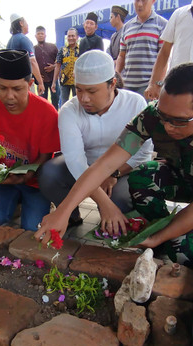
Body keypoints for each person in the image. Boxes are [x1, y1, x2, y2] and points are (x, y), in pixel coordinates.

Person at [36, 63, 193, 268]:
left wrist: (158, 238)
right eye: (163, 116)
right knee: (142, 178)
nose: (167, 126)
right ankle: (162, 226)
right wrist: (63, 211)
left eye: (179, 121)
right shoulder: (152, 116)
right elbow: (104, 165)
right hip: (183, 174)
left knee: (184, 252)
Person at [39, 50, 153, 229]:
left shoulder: (135, 104)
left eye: (92, 91)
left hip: (123, 169)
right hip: (84, 167)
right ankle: (70, 216)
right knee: (49, 174)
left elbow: (143, 153)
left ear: (112, 84)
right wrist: (106, 204)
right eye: (78, 90)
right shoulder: (69, 110)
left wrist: (112, 173)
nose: (84, 98)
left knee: (120, 199)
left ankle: (114, 221)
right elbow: (76, 163)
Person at [0, 50, 59, 231]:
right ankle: (16, 204)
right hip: (3, 180)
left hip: (33, 181)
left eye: (17, 89)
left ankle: (36, 203)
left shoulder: (47, 112)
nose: (9, 96)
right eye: (2, 88)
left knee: (33, 227)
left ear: (30, 84)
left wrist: (28, 175)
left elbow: (45, 157)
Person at [116, 0, 167, 98]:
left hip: (148, 87)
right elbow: (121, 55)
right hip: (127, 86)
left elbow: (164, 57)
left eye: (144, 0)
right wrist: (117, 74)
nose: (139, 4)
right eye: (137, 0)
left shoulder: (162, 24)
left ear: (153, 1)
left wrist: (157, 84)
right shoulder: (127, 27)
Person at [7, 14, 45, 95]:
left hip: (12, 82)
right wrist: (40, 83)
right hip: (24, 83)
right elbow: (32, 62)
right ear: (21, 23)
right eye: (27, 23)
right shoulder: (24, 39)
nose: (28, 26)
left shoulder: (10, 41)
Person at [52, 28, 80, 107]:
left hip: (77, 81)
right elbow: (57, 66)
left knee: (78, 103)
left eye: (73, 36)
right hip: (64, 81)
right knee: (64, 104)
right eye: (69, 36)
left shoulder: (80, 50)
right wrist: (54, 82)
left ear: (77, 37)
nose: (71, 38)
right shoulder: (62, 50)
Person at [34, 26, 59, 109]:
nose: (40, 35)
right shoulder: (33, 49)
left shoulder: (53, 47)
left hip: (53, 80)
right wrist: (36, 76)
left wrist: (53, 66)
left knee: (55, 101)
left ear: (45, 35)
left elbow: (60, 62)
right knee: (42, 103)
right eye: (38, 34)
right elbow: (30, 64)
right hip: (41, 81)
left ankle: (55, 118)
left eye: (42, 33)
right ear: (35, 36)